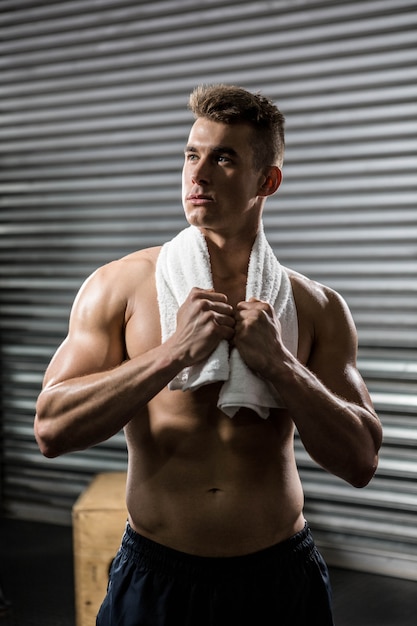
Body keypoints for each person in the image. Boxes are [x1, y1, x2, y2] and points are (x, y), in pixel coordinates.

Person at [34, 84, 382, 626]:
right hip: (156, 574)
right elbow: (51, 428)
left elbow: (361, 459)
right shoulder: (119, 287)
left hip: (278, 578)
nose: (197, 175)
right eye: (192, 155)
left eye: (224, 158)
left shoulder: (315, 307)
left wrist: (280, 365)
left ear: (268, 181)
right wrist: (173, 353)